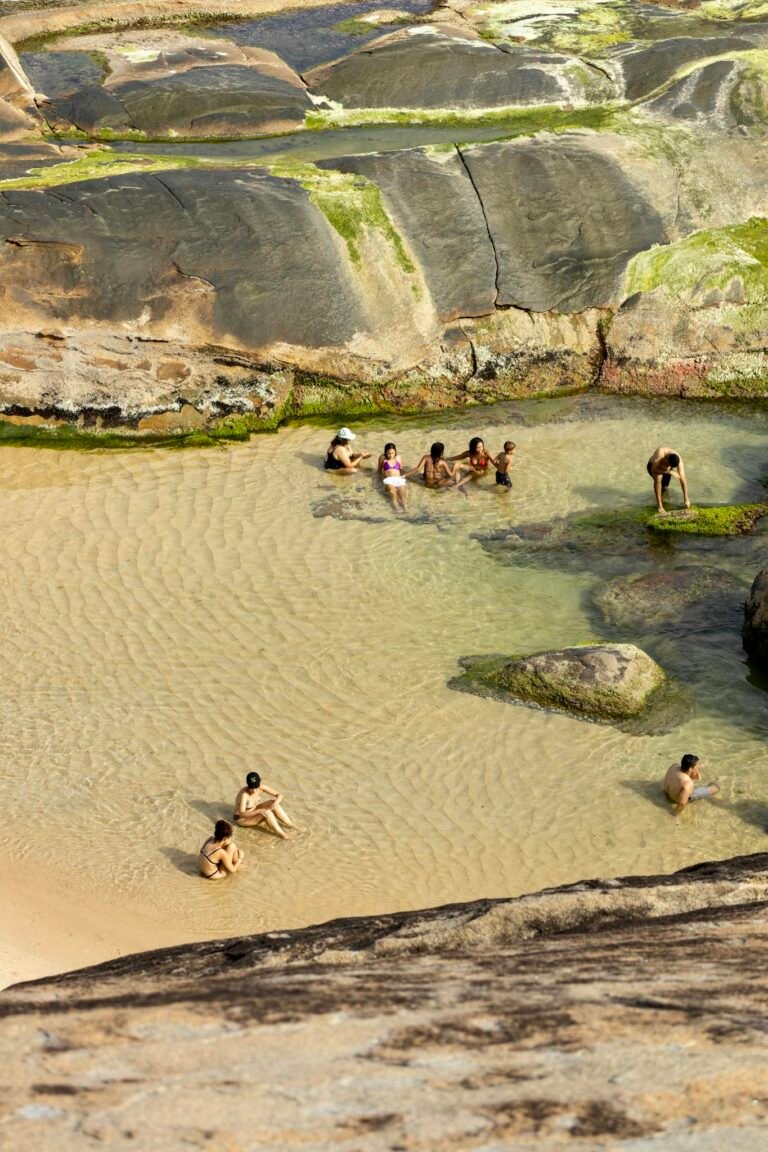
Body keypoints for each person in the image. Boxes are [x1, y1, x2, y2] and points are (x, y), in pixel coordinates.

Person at [234, 771, 297, 839]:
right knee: (267, 812)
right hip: (242, 819)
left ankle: (291, 825)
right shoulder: (244, 794)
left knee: (273, 803)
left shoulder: (262, 787)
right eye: (251, 787)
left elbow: (280, 795)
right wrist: (259, 811)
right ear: (248, 785)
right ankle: (283, 835)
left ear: (259, 783)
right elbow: (242, 814)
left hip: (254, 811)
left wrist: (275, 803)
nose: (254, 790)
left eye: (256, 787)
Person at [403, 442, 470, 489]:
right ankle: (464, 492)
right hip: (438, 485)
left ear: (432, 450)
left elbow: (417, 469)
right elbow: (450, 475)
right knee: (456, 478)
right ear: (441, 452)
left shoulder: (426, 458)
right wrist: (455, 467)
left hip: (427, 484)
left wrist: (404, 475)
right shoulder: (442, 462)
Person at [647, 447, 690, 513]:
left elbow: (683, 479)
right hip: (654, 467)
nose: (667, 466)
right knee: (658, 477)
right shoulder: (660, 453)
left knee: (664, 488)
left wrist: (686, 499)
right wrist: (669, 472)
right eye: (667, 464)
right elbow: (653, 470)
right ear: (666, 457)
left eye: (669, 466)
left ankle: (658, 499)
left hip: (667, 471)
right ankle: (660, 506)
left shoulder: (679, 460)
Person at [377, 441, 408, 513]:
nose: (391, 455)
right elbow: (379, 471)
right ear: (385, 452)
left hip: (399, 479)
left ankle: (405, 509)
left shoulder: (398, 458)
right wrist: (378, 481)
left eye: (392, 453)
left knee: (402, 493)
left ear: (395, 452)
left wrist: (405, 477)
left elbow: (401, 470)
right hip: (388, 480)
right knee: (393, 492)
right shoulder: (382, 458)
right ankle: (396, 509)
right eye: (389, 453)